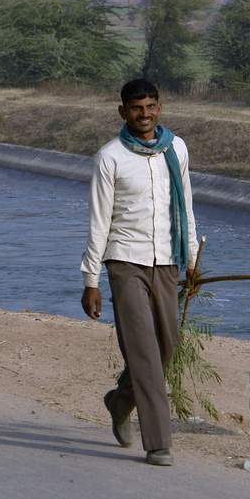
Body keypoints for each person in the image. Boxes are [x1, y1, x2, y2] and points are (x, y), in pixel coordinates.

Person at [80, 79, 198, 467]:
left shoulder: (176, 149)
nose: (144, 115)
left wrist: (192, 259)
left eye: (150, 107)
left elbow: (186, 207)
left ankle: (120, 400)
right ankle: (159, 443)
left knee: (166, 347)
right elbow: (99, 221)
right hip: (124, 260)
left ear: (159, 108)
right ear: (123, 112)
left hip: (167, 260)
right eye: (136, 108)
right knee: (144, 352)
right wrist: (91, 280)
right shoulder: (109, 157)